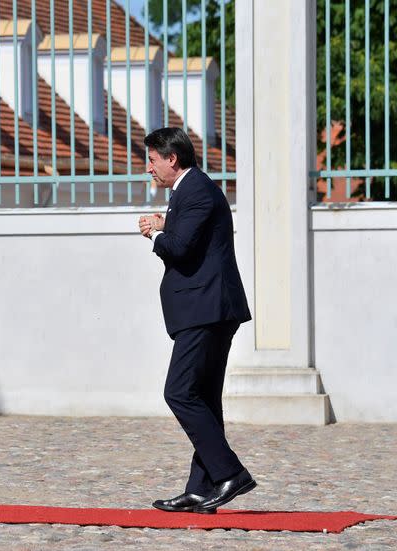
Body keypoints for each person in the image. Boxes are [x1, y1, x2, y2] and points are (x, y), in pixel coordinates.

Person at [138, 127, 254, 514]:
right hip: (208, 308)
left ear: (172, 159)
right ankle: (200, 488)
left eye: (152, 159)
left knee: (180, 392)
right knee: (203, 397)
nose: (148, 167)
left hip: (207, 310)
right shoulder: (190, 190)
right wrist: (166, 223)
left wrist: (155, 233)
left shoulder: (197, 190)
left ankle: (230, 472)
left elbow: (182, 250)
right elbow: (191, 236)